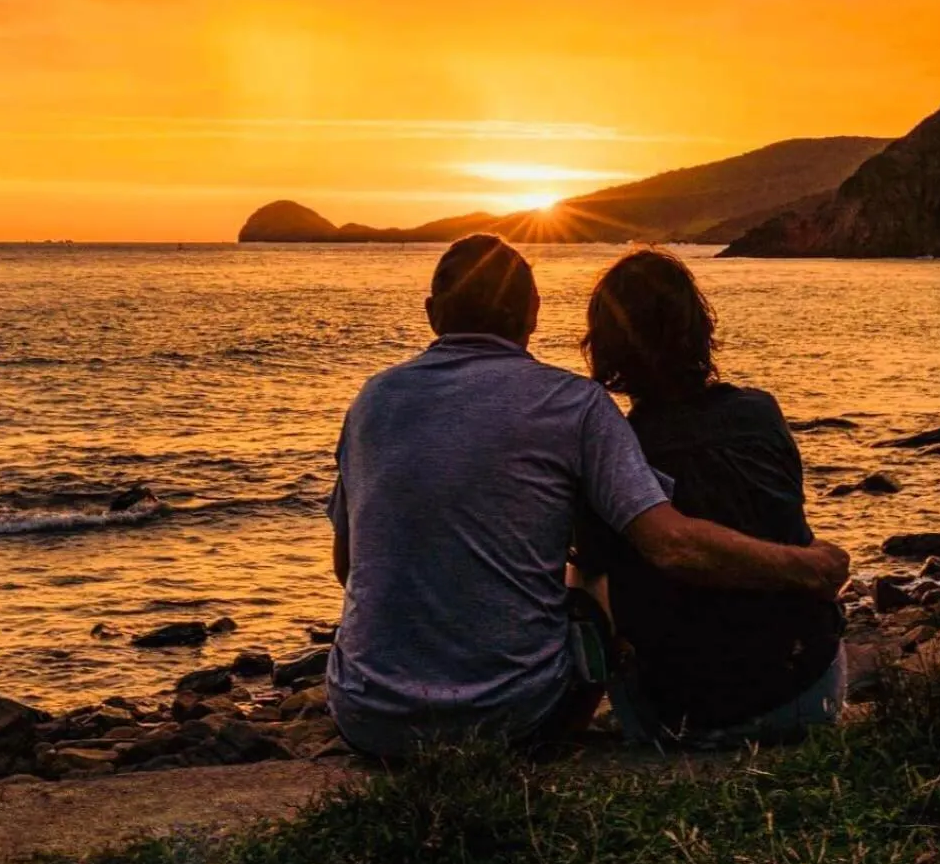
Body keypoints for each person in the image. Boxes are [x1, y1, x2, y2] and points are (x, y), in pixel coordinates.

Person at [325, 234, 849, 759]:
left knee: (587, 566)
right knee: (587, 581)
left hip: (370, 719)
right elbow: (672, 546)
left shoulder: (371, 401)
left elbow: (349, 569)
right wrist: (809, 566)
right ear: (532, 313)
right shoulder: (579, 405)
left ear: (432, 313)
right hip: (516, 719)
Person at [577, 248, 847, 745]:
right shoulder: (762, 413)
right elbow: (785, 515)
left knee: (588, 575)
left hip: (683, 716)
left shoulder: (618, 447)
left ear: (607, 347)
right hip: (807, 692)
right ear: (699, 328)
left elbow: (593, 575)